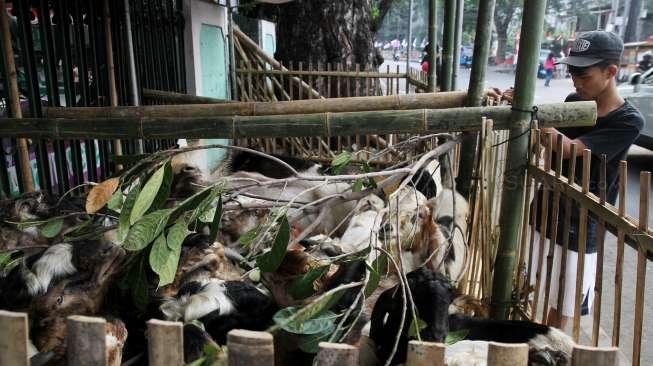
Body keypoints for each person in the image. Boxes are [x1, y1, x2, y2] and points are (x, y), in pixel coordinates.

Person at [532, 31, 643, 330]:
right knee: (535, 282)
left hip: (581, 220)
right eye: (572, 75)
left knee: (565, 300)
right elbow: (551, 143)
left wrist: (532, 116)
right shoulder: (574, 101)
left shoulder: (629, 120)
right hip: (547, 204)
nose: (576, 83)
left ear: (610, 72)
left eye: (584, 76)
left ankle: (549, 351)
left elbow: (569, 150)